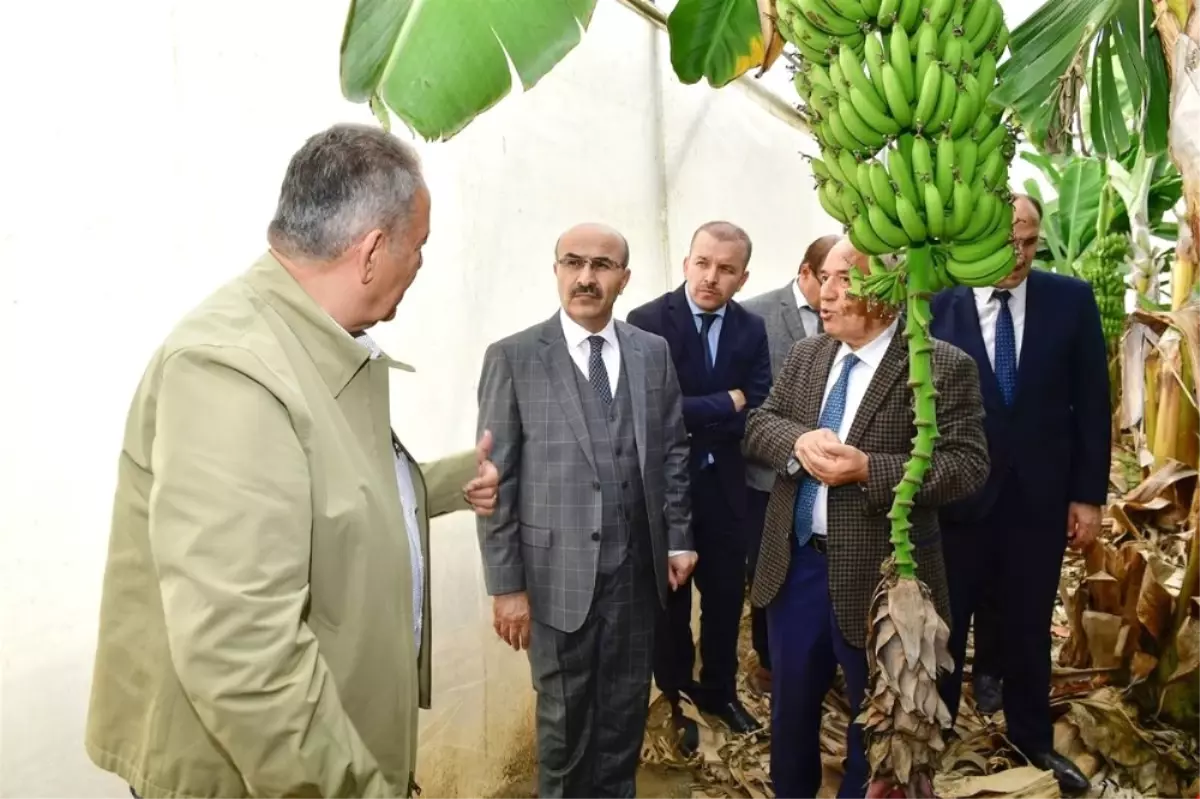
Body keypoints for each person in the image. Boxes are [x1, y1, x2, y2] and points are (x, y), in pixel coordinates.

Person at [85, 123, 500, 799]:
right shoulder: (232, 370)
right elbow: (243, 652)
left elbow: (336, 501)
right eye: (417, 250)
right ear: (370, 252)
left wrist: (453, 481)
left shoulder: (311, 341)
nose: (418, 268)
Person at [744, 238, 989, 799]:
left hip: (884, 581)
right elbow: (760, 426)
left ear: (887, 290)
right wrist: (799, 441)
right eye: (822, 279)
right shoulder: (809, 356)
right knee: (791, 717)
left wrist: (870, 470)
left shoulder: (939, 366)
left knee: (879, 727)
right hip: (797, 568)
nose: (824, 294)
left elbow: (968, 467)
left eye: (842, 281)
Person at [476, 222, 695, 799]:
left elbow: (673, 451)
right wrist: (507, 587)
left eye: (602, 265)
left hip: (637, 577)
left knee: (623, 713)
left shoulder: (652, 353)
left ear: (624, 278)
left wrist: (678, 538)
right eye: (573, 263)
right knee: (564, 723)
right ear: (556, 271)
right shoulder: (515, 357)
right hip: (555, 582)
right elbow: (495, 482)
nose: (586, 277)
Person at [930, 194, 1110, 795]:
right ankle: (932, 738)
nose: (1018, 255)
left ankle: (1032, 739)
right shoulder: (937, 303)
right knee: (944, 626)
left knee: (1029, 625)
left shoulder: (1070, 299)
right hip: (956, 499)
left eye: (1030, 242)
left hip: (1038, 497)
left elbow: (1091, 403)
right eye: (1006, 241)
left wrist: (1086, 496)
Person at [626, 221, 772, 750]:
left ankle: (720, 691)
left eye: (726, 269)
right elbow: (651, 411)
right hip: (666, 488)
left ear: (742, 276)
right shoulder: (645, 322)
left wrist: (699, 411)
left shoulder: (751, 330)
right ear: (687, 263)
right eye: (703, 263)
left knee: (726, 597)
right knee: (670, 603)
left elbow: (757, 405)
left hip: (728, 489)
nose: (711, 277)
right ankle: (677, 696)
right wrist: (723, 403)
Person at [740, 232, 839, 692]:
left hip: (836, 478)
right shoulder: (757, 313)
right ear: (805, 273)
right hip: (770, 470)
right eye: (827, 279)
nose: (836, 293)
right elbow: (757, 404)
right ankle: (769, 659)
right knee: (767, 566)